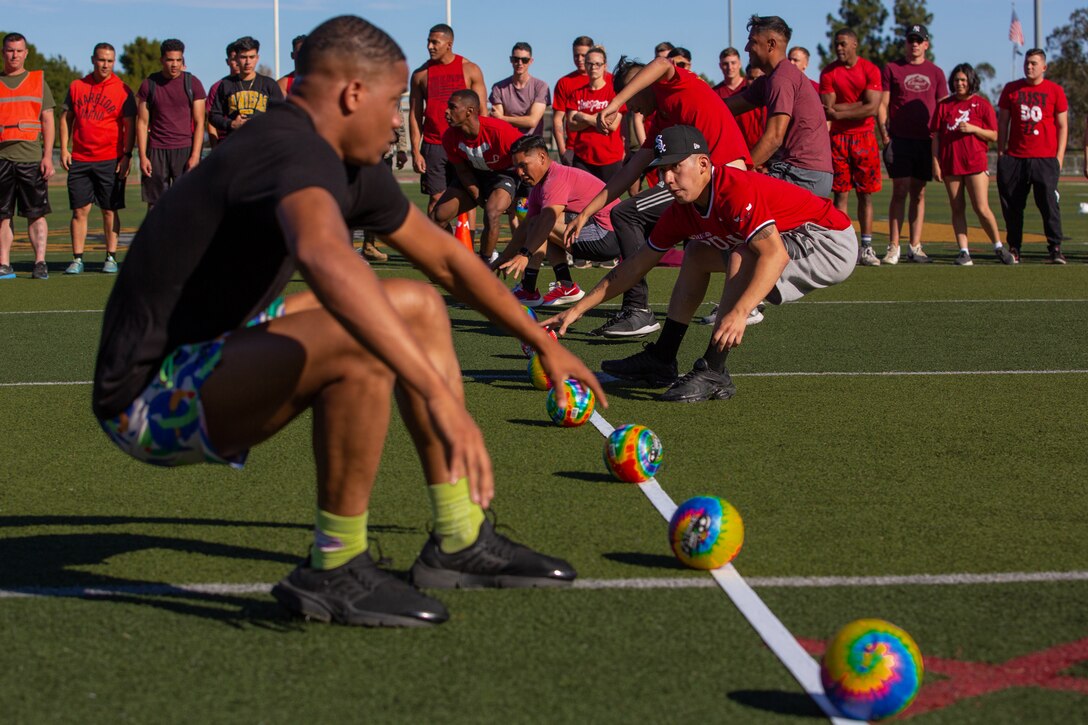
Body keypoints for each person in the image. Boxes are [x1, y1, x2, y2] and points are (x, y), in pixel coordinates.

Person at [92, 15, 606, 628]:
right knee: (360, 330)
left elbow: (445, 258)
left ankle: (458, 538)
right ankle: (334, 567)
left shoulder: (343, 158)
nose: (398, 121)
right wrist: (434, 395)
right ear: (352, 95)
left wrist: (538, 338)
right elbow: (327, 259)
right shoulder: (285, 146)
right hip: (148, 398)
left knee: (414, 306)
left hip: (218, 348)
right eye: (393, 103)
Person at [545, 125, 856, 403]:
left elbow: (774, 254)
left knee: (740, 251)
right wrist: (577, 309)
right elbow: (635, 266)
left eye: (675, 167)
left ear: (703, 164)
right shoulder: (682, 209)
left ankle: (715, 370)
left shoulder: (734, 189)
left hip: (829, 242)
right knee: (695, 252)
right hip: (789, 239)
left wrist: (738, 312)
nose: (666, 178)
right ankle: (664, 358)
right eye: (662, 169)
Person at [564, 55, 752, 339]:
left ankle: (639, 309)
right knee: (696, 254)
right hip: (709, 188)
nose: (631, 107)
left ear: (644, 82)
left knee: (626, 214)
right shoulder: (662, 121)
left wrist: (612, 104)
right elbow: (630, 172)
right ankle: (745, 295)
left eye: (630, 96)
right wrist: (586, 213)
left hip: (724, 182)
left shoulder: (677, 86)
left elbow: (662, 63)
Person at [493, 135, 625, 307]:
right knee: (536, 223)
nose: (519, 172)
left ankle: (528, 289)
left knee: (541, 223)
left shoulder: (555, 179)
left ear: (541, 157)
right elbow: (526, 226)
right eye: (516, 167)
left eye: (523, 165)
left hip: (609, 237)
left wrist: (525, 254)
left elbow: (544, 222)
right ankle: (566, 286)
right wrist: (503, 257)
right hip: (604, 231)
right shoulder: (540, 186)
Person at [725, 15, 833, 197]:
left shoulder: (781, 79)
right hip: (805, 173)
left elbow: (774, 138)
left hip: (803, 176)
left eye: (752, 42)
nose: (746, 48)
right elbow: (725, 107)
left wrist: (738, 172)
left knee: (736, 198)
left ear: (771, 44)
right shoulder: (769, 80)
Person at [59, 42, 135, 276]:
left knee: (109, 210)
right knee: (80, 211)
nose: (105, 64)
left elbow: (130, 126)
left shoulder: (123, 89)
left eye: (110, 61)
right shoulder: (77, 86)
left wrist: (127, 154)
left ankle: (110, 257)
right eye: (102, 60)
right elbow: (65, 118)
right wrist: (64, 148)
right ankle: (77, 258)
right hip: (81, 159)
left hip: (110, 159)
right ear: (93, 59)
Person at [931, 63, 1014, 266]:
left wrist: (973, 128)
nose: (959, 84)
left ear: (971, 81)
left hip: (975, 163)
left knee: (981, 207)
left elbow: (993, 135)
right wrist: (935, 162)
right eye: (957, 80)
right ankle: (964, 251)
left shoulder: (982, 104)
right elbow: (936, 136)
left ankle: (998, 246)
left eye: (963, 80)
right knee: (957, 208)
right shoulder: (944, 105)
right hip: (951, 164)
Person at [879, 24, 947, 264]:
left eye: (919, 40)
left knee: (919, 193)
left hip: (925, 141)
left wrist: (941, 139)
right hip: (900, 140)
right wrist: (885, 135)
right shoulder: (892, 68)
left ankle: (915, 246)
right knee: (899, 190)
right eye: (911, 40)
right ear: (906, 43)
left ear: (926, 44)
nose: (915, 44)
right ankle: (893, 246)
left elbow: (943, 107)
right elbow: (883, 104)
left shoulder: (936, 72)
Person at [431, 89, 522, 263]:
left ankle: (486, 262)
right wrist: (478, 197)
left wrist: (523, 193)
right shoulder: (449, 136)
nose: (446, 111)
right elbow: (463, 171)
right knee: (437, 216)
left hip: (502, 175)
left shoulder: (500, 131)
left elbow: (528, 154)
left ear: (470, 111)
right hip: (474, 176)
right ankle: (455, 260)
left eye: (452, 107)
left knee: (492, 213)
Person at [996, 48, 1068, 264]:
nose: (1029, 66)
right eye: (1027, 63)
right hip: (1015, 158)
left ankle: (1055, 247)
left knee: (1048, 204)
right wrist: (1001, 153)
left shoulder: (1055, 91)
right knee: (1013, 206)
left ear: (1044, 67)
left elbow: (1063, 126)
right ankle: (1015, 248)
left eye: (1034, 63)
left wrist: (1059, 158)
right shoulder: (1011, 89)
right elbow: (1003, 123)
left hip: (1045, 158)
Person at [819, 28, 883, 265]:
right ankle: (843, 248)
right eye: (836, 44)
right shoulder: (828, 72)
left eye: (844, 44)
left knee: (865, 194)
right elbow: (828, 110)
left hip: (864, 137)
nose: (839, 48)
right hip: (838, 139)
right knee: (840, 195)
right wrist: (853, 108)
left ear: (855, 44)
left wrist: (842, 110)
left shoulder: (870, 69)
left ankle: (866, 246)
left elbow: (872, 108)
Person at [409, 24, 487, 216]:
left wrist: (482, 145)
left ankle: (465, 244)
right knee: (436, 199)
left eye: (435, 42)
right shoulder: (420, 75)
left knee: (468, 196)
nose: (429, 46)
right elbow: (415, 114)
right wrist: (415, 151)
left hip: (464, 144)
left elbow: (483, 111)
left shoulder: (470, 69)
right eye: (428, 41)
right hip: (434, 144)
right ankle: (438, 245)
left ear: (449, 44)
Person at [0, 32, 54, 281]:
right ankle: (4, 264)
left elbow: (48, 120)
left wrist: (47, 157)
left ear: (26, 53)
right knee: (2, 215)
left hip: (31, 158)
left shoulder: (37, 81)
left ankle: (40, 262)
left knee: (36, 213)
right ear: (3, 52)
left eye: (19, 50)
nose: (14, 55)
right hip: (2, 159)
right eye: (10, 50)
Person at [136, 39, 206, 211]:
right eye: (170, 60)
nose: (174, 64)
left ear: (183, 60)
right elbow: (142, 123)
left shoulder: (193, 83)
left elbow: (199, 122)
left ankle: (186, 238)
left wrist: (195, 155)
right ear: (162, 60)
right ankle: (156, 238)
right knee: (155, 205)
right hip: (156, 151)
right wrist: (143, 156)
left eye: (178, 60)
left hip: (184, 149)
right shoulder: (149, 84)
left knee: (187, 203)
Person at [209, 36, 283, 142]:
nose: (248, 62)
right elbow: (214, 116)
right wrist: (231, 124)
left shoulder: (269, 84)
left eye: (252, 57)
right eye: (243, 57)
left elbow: (281, 116)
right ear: (237, 58)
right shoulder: (226, 84)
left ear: (257, 58)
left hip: (263, 146)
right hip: (235, 146)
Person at [566, 47, 624, 183]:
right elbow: (571, 125)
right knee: (582, 200)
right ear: (585, 65)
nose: (593, 67)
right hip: (583, 157)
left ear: (605, 66)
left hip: (610, 157)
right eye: (589, 63)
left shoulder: (614, 93)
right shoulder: (577, 94)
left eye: (598, 64)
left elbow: (613, 125)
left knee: (611, 202)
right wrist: (599, 119)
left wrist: (583, 116)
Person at [489, 42, 550, 137]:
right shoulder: (498, 87)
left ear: (531, 61)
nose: (520, 63)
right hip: (507, 143)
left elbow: (532, 121)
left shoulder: (541, 86)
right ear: (511, 60)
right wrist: (501, 118)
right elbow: (497, 122)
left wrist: (502, 118)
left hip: (532, 145)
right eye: (516, 59)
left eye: (524, 60)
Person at [552, 36, 594, 166]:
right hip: (574, 150)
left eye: (584, 55)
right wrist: (563, 151)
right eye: (576, 55)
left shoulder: (608, 80)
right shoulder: (565, 82)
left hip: (605, 150)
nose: (580, 59)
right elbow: (558, 119)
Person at [205, 42, 239, 148]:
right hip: (226, 144)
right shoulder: (218, 87)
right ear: (227, 61)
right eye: (234, 59)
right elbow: (211, 121)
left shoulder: (260, 84)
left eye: (241, 58)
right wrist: (215, 149)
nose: (238, 62)